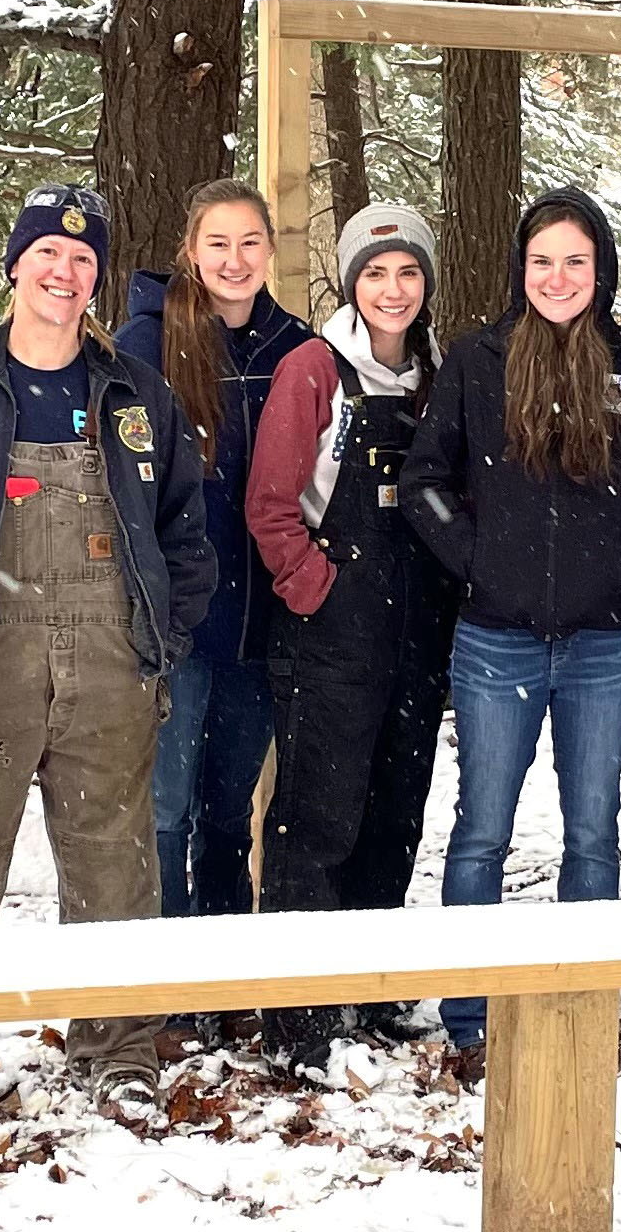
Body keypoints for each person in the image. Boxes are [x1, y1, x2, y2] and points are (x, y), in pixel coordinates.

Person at [0, 184, 216, 1115]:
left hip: (110, 657)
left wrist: (165, 638)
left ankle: (117, 1046)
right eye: (47, 255)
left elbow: (185, 530)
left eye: (82, 261)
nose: (64, 274)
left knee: (113, 852)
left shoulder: (132, 391)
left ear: (98, 279)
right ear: (15, 266)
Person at [400, 186, 621, 1072]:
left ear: (600, 268)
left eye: (576, 260)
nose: (559, 276)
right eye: (542, 261)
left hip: (606, 640)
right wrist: (479, 560)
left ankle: (581, 1004)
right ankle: (468, 1012)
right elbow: (424, 482)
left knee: (592, 830)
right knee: (482, 830)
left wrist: (616, 563)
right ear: (519, 270)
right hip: (496, 637)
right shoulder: (478, 358)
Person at [245, 203, 459, 1074]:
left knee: (393, 816)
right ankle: (300, 1012)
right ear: (350, 283)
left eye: (407, 272)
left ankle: (370, 987)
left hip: (418, 628)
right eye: (375, 273)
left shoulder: (442, 373)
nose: (393, 289)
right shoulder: (314, 369)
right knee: (317, 816)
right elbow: (270, 503)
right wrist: (314, 589)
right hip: (333, 631)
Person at [115, 181, 308, 1047]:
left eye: (251, 243)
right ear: (191, 249)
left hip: (262, 621)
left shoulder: (296, 348)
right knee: (164, 809)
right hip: (175, 622)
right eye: (218, 244)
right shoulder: (146, 343)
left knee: (230, 811)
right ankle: (160, 985)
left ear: (271, 250)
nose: (234, 261)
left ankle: (225, 974)